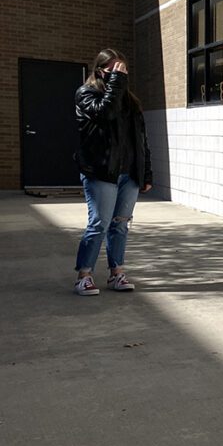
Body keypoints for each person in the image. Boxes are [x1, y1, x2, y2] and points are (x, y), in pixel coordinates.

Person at [73, 49, 153, 296]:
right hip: (101, 172)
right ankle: (84, 275)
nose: (120, 75)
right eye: (114, 71)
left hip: (128, 173)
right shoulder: (86, 94)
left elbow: (140, 140)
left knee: (120, 226)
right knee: (99, 224)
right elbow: (104, 114)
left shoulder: (131, 102)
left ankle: (116, 272)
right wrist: (116, 84)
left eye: (123, 71)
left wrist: (145, 173)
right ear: (99, 71)